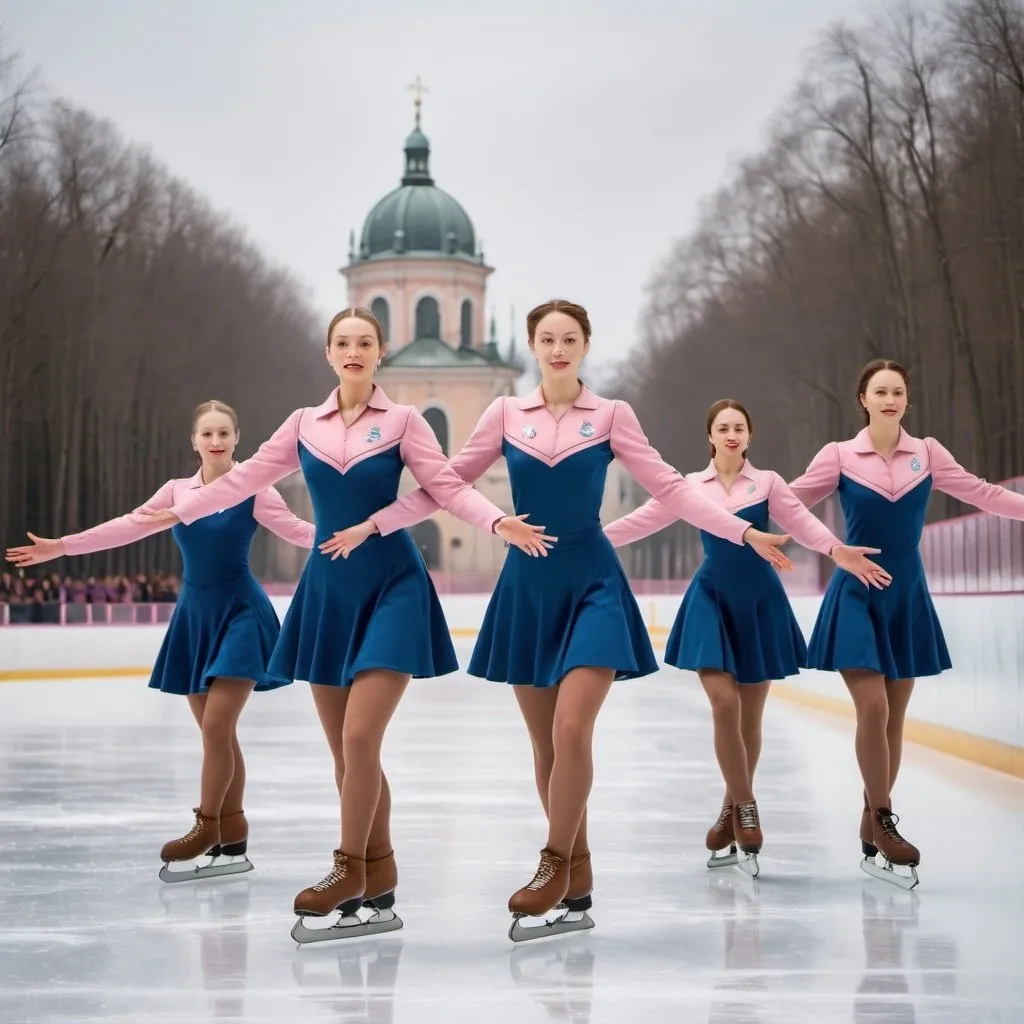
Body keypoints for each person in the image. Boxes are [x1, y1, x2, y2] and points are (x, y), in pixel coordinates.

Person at [325, 299, 794, 940]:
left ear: (585, 346)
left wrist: (743, 532)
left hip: (594, 582)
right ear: (532, 346)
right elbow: (444, 486)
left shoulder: (610, 416)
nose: (557, 348)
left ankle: (552, 862)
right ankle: (579, 871)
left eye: (569, 338)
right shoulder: (503, 415)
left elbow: (673, 488)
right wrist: (376, 523)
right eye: (546, 338)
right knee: (545, 745)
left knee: (573, 729)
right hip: (527, 587)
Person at [136, 307, 552, 942]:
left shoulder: (405, 422)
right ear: (329, 353)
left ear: (380, 353)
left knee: (359, 741)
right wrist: (142, 521)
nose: (354, 351)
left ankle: (348, 868)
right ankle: (379, 876)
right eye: (343, 343)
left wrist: (498, 522)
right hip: (328, 594)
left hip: (392, 588)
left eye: (365, 342)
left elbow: (443, 487)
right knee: (346, 754)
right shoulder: (302, 425)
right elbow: (242, 480)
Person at [5, 400, 315, 881]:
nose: (216, 442)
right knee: (219, 735)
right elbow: (127, 528)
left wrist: (364, 535)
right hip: (194, 618)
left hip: (241, 614)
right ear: (194, 441)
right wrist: (62, 546)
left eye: (224, 434)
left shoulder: (254, 488)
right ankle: (233, 841)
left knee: (216, 727)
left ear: (238, 439)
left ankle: (205, 825)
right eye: (207, 434)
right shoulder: (176, 493)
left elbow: (298, 532)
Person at [603, 399, 891, 875]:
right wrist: (585, 539)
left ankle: (728, 812)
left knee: (750, 718)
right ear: (710, 436)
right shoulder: (689, 487)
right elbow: (641, 521)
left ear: (749, 436)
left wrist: (836, 549)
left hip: (759, 603)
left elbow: (802, 522)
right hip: (711, 601)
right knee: (723, 704)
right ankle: (748, 805)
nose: (732, 434)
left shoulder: (769, 484)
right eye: (723, 427)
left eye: (740, 427)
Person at [788, 358, 1024, 888]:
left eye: (898, 391)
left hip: (906, 595)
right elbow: (788, 502)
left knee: (893, 718)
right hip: (855, 591)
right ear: (863, 399)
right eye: (880, 391)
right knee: (871, 706)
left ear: (907, 401)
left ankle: (870, 819)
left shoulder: (929, 454)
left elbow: (983, 493)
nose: (889, 399)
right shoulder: (841, 456)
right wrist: (829, 547)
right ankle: (887, 818)